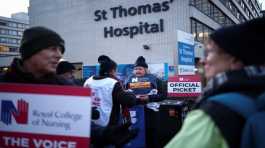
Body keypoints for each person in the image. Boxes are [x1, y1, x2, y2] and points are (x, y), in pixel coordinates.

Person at [0, 26, 136, 147]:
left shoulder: (65, 87)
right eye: (53, 49)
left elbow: (78, 125)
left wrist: (104, 134)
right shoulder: (4, 87)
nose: (59, 55)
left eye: (61, 50)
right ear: (31, 51)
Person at [166, 17, 265, 148]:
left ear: (234, 60)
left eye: (208, 53)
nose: (202, 61)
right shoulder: (258, 93)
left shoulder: (213, 112)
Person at [83, 55, 139, 147]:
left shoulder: (88, 81)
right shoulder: (112, 82)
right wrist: (131, 94)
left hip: (91, 123)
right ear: (113, 70)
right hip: (109, 124)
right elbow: (129, 101)